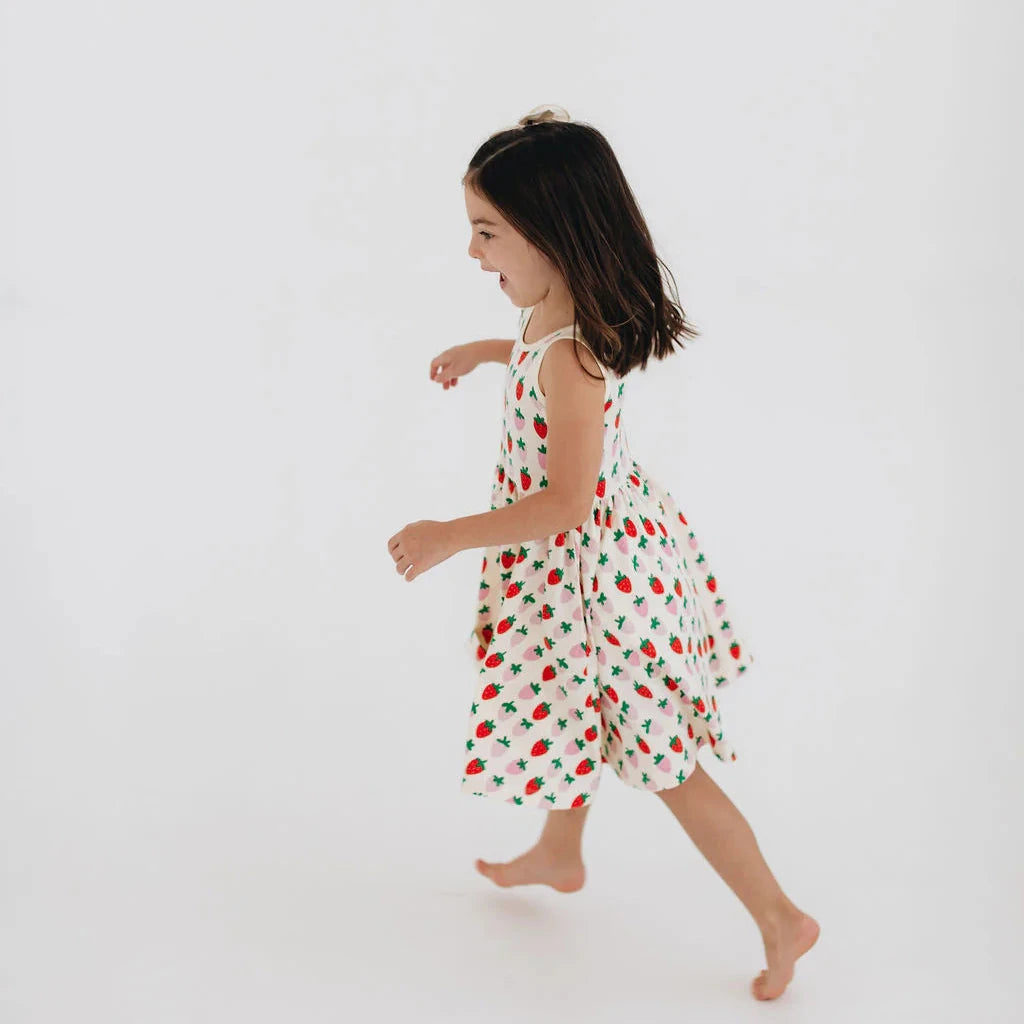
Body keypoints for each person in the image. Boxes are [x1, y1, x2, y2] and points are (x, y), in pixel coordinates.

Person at [386, 105, 819, 1001]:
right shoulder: (551, 314)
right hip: (580, 573)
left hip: (602, 581)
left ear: (551, 235)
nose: (473, 254)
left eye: (487, 232)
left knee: (665, 761)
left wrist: (449, 536)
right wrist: (487, 351)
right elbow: (539, 354)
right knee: (564, 696)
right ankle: (560, 850)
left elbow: (566, 500)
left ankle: (782, 915)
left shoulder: (571, 356)